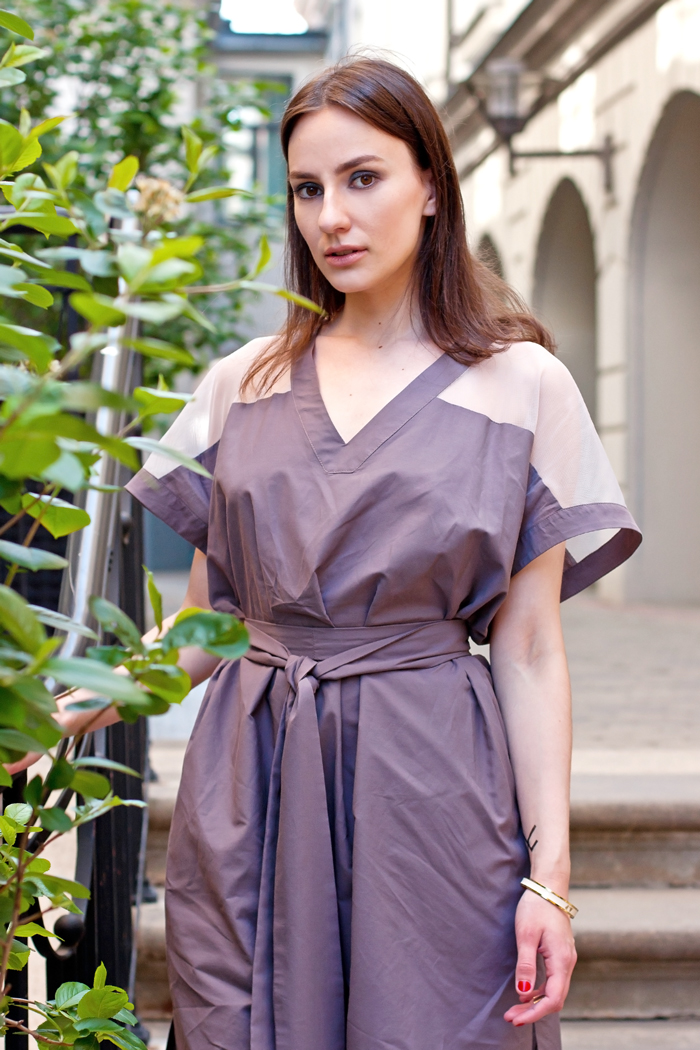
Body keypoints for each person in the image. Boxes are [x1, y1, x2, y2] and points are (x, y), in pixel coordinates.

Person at [16, 57, 641, 1050]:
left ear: (430, 184)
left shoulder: (523, 384)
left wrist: (550, 880)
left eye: (363, 178)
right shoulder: (242, 383)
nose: (331, 217)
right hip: (253, 777)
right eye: (308, 189)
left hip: (433, 781)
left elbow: (526, 649)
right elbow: (211, 623)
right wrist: (62, 713)